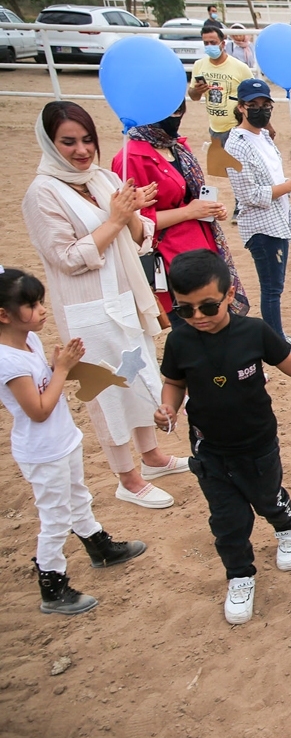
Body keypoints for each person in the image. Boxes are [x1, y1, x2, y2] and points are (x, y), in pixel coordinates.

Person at [155, 250, 291, 625]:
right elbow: (174, 383)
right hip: (209, 447)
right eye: (185, 309)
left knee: (266, 497)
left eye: (208, 306)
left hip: (257, 442)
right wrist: (167, 408)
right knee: (227, 520)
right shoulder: (179, 341)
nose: (197, 317)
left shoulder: (254, 331)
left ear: (230, 294)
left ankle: (287, 526)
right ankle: (240, 575)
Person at [23, 101, 186, 510]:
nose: (81, 150)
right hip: (87, 310)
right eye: (69, 142)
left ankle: (152, 459)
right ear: (49, 142)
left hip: (126, 295)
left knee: (139, 375)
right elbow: (66, 257)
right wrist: (114, 219)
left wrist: (131, 214)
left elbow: (140, 234)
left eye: (87, 140)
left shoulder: (102, 178)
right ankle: (126, 478)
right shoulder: (42, 193)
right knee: (105, 391)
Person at [0, 268, 146, 615]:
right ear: (3, 315)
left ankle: (98, 546)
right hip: (42, 449)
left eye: (40, 302)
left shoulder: (30, 340)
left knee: (78, 494)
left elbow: (44, 385)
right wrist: (62, 370)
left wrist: (55, 366)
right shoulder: (8, 361)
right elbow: (38, 410)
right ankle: (52, 584)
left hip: (62, 440)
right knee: (54, 517)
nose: (41, 310)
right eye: (32, 305)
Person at [113, 99, 249, 327]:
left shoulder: (176, 146)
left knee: (218, 321)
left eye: (179, 109)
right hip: (169, 258)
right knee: (191, 324)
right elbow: (133, 221)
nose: (176, 115)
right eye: (169, 109)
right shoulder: (131, 157)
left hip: (202, 246)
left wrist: (208, 209)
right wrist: (189, 212)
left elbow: (190, 197)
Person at [225, 79, 291, 356]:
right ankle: (276, 343)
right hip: (261, 223)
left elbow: (273, 179)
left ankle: (277, 335)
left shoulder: (264, 136)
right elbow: (249, 194)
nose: (260, 111)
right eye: (253, 105)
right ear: (241, 107)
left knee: (275, 287)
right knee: (271, 287)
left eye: (265, 105)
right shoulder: (237, 144)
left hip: (277, 218)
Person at [187, 25, 253, 148]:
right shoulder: (199, 65)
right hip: (214, 128)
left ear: (222, 44)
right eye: (206, 43)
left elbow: (255, 95)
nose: (209, 46)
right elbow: (193, 96)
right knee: (219, 165)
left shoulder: (240, 68)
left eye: (213, 42)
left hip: (237, 128)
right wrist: (197, 90)